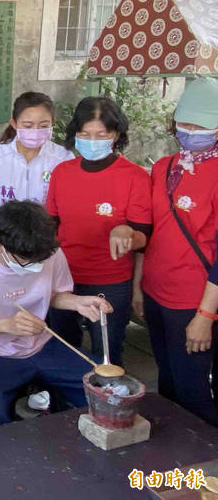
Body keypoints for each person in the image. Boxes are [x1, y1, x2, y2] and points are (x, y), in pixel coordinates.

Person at [0, 200, 113, 430]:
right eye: (27, 261)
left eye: (41, 260)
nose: (37, 266)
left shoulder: (48, 252)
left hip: (41, 344)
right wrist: (8, 325)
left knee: (107, 390)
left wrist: (77, 302)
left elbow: (53, 294)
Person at [46, 97, 151, 367]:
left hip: (110, 282)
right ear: (75, 134)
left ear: (115, 135)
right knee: (62, 349)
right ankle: (61, 405)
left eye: (101, 135)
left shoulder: (135, 176)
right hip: (64, 278)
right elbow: (51, 226)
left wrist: (126, 230)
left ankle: (105, 405)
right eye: (84, 134)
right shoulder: (62, 172)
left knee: (107, 354)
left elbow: (143, 239)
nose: (92, 140)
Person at [140, 78, 218, 426]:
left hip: (195, 300)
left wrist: (205, 316)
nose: (189, 132)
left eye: (200, 126)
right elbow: (152, 230)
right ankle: (175, 462)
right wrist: (137, 287)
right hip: (157, 294)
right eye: (184, 123)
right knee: (167, 382)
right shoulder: (164, 167)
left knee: (193, 390)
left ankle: (206, 467)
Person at [0, 92, 73, 240]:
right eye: (28, 125)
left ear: (53, 122)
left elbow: (64, 208)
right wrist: (10, 239)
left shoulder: (63, 158)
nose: (35, 131)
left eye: (43, 126)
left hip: (42, 243)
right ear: (14, 124)